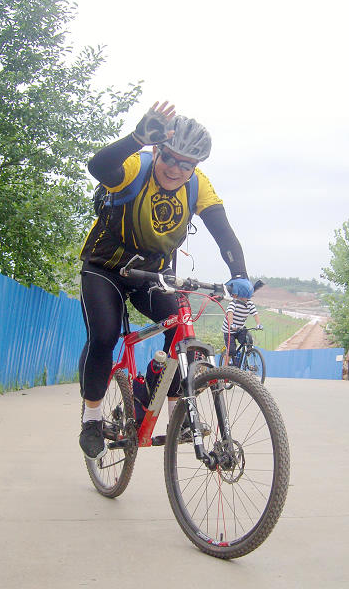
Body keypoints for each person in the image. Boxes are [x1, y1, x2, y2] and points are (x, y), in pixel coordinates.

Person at [78, 101, 254, 459]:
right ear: (158, 149)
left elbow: (223, 232)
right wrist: (136, 138)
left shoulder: (198, 185)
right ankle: (91, 418)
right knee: (105, 336)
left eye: (186, 164)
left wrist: (240, 274)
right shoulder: (137, 166)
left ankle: (171, 410)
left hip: (153, 275)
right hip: (105, 267)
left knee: (180, 331)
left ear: (196, 166)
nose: (175, 168)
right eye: (170, 158)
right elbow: (98, 167)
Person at [221, 286, 263, 365]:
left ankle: (247, 357)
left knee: (248, 340)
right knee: (231, 351)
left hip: (240, 329)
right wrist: (231, 324)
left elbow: (255, 314)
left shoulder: (250, 303)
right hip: (229, 330)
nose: (247, 298)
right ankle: (224, 368)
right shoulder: (234, 302)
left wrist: (258, 324)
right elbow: (230, 313)